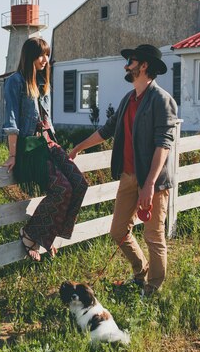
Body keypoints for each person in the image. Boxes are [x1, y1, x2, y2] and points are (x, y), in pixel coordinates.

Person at [69, 44, 178, 296]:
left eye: (131, 60)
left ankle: (153, 288)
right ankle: (141, 272)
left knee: (153, 236)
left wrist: (149, 184)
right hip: (128, 177)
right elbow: (106, 130)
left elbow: (164, 145)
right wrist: (79, 147)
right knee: (118, 230)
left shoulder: (162, 100)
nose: (126, 64)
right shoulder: (128, 99)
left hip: (154, 181)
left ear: (144, 66)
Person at [3, 37, 88, 261]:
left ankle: (47, 235)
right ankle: (31, 234)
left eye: (47, 55)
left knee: (79, 184)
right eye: (41, 55)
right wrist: (13, 155)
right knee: (62, 189)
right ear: (29, 56)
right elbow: (11, 121)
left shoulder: (43, 83)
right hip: (30, 148)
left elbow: (47, 120)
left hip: (49, 143)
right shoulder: (16, 82)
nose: (45, 59)